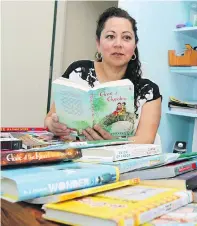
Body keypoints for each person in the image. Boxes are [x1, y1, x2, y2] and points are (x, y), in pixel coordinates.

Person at [45, 7, 162, 144]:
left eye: (126, 37)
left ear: (134, 46)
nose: (118, 44)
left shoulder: (148, 91)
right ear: (98, 44)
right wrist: (52, 125)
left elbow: (146, 139)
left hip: (120, 161)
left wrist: (112, 142)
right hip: (75, 158)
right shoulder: (77, 72)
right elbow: (49, 118)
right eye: (110, 36)